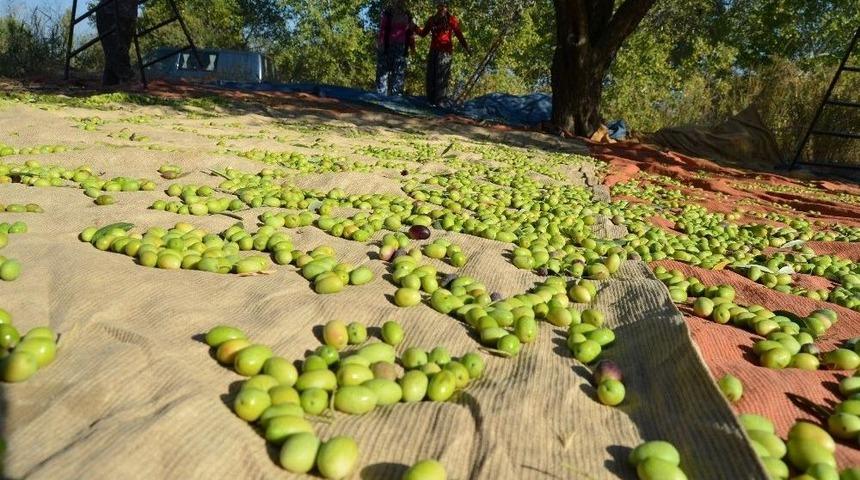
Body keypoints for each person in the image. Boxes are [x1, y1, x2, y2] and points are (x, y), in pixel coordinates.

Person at [418, 0, 470, 106]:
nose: (442, 8)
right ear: (437, 7)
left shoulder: (451, 20)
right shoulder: (431, 19)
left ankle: (440, 102)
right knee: (431, 76)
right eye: (440, 6)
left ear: (447, 7)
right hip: (433, 51)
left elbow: (459, 34)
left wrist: (466, 47)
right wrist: (413, 27)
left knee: (441, 78)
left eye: (444, 6)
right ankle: (430, 101)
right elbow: (423, 33)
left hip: (445, 52)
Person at [376, 0, 417, 96]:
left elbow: (411, 33)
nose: (399, 2)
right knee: (383, 71)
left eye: (401, 1)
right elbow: (382, 30)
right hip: (387, 45)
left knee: (399, 72)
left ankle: (396, 97)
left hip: (401, 47)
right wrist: (380, 43)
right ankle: (380, 95)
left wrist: (413, 48)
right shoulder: (388, 14)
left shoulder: (407, 15)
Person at [95, 0, 139, 86]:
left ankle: (111, 81)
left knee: (118, 49)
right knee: (116, 49)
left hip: (123, 12)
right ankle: (125, 77)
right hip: (113, 12)